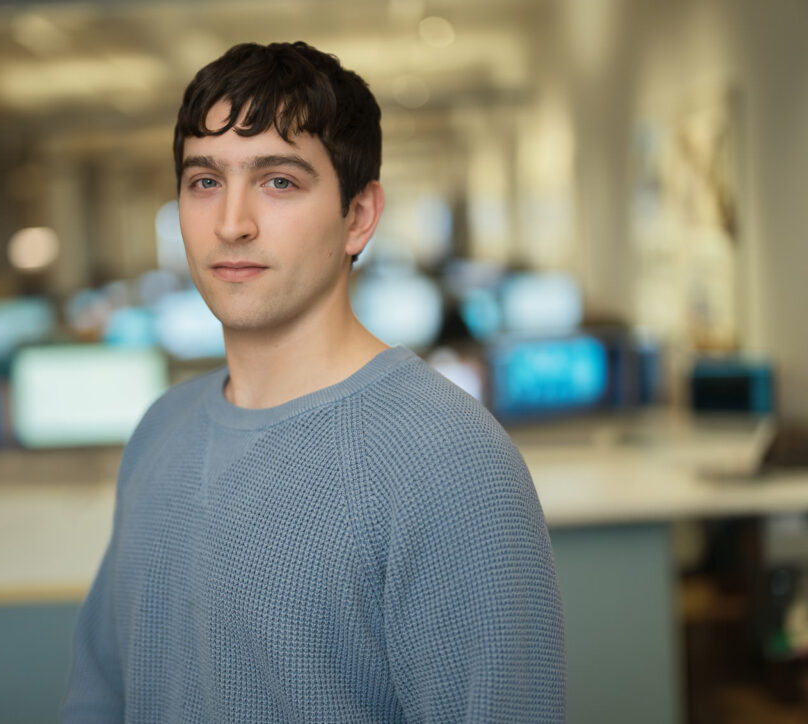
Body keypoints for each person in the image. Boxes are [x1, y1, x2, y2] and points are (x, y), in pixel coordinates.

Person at [62, 41, 566, 723]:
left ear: (358, 217)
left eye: (279, 181)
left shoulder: (451, 461)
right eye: (204, 181)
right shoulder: (160, 430)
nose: (232, 224)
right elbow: (99, 694)